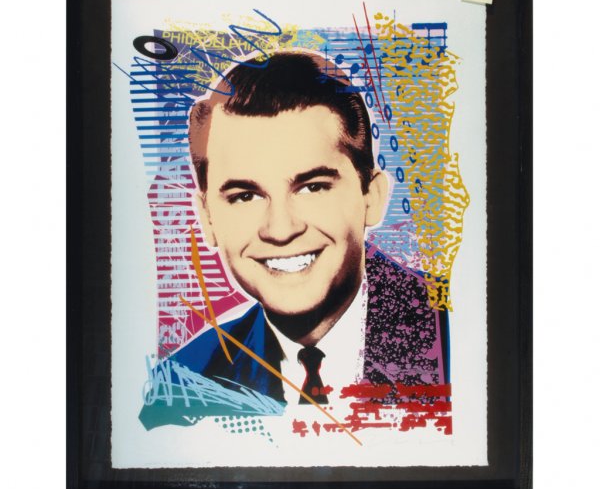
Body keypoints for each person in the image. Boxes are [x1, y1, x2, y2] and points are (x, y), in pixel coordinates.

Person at [139, 51, 448, 429]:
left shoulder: (461, 339)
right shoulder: (179, 390)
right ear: (208, 219)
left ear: (372, 197)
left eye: (312, 187)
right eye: (245, 196)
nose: (281, 229)